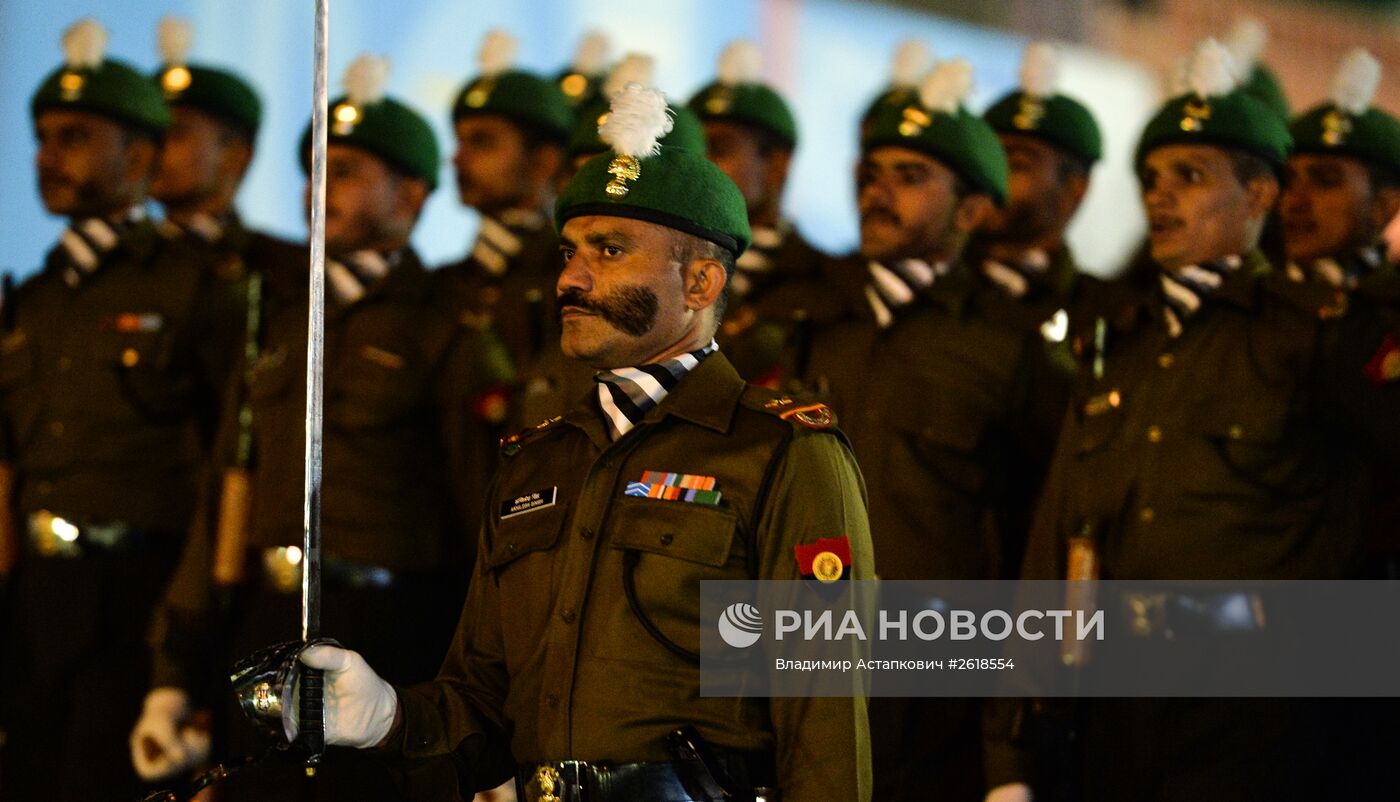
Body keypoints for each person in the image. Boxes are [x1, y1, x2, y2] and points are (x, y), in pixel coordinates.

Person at [277, 83, 874, 802]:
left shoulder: (782, 456)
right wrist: (385, 716)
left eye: (610, 251)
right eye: (568, 251)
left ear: (700, 280)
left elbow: (824, 717)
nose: (570, 278)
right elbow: (480, 706)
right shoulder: (537, 461)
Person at [983, 39, 1400, 802]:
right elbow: (1057, 542)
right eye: (1152, 178)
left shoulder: (1318, 337)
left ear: (1260, 197)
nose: (1160, 196)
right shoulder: (1122, 341)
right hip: (1110, 727)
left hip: (1266, 738)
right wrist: (1012, 755)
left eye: (1192, 176)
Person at [132, 55, 514, 801]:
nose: (316, 190)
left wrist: (486, 710)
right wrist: (174, 676)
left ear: (411, 193)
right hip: (263, 624)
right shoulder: (275, 321)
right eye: (313, 171)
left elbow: (483, 525)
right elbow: (222, 496)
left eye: (343, 172)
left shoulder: (452, 331)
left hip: (393, 634)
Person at [0, 18, 242, 801]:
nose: (46, 156)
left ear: (139, 155)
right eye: (41, 137)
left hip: (139, 598)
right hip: (35, 596)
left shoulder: (194, 284)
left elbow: (226, 461)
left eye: (73, 137)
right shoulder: (31, 299)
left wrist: (196, 643)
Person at [802, 57, 1054, 802]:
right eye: (873, 171)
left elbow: (1034, 544)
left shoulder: (1013, 349)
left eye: (911, 176)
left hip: (938, 699)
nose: (878, 190)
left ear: (972, 212)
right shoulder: (809, 319)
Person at [437, 30, 578, 427]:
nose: (459, 159)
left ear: (543, 162)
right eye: (459, 142)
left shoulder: (568, 271)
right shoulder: (444, 283)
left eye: (482, 143)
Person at [688, 40, 839, 387]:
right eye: (692, 151)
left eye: (719, 148)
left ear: (776, 164)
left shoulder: (829, 286)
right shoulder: (659, 266)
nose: (700, 166)